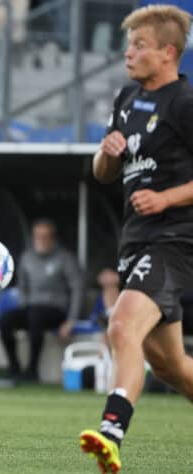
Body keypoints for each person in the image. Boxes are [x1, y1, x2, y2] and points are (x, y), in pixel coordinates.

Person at [79, 5, 193, 473]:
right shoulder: (127, 98)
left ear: (168, 53)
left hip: (176, 237)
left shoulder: (185, 104)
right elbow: (102, 173)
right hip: (136, 237)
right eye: (129, 45)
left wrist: (166, 199)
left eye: (139, 45)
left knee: (121, 324)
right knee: (170, 365)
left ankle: (110, 431)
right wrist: (107, 154)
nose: (128, 53)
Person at [0, 219, 82, 382]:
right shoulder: (26, 257)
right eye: (38, 236)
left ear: (53, 238)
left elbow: (77, 289)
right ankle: (14, 367)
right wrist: (24, 306)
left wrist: (71, 320)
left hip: (56, 309)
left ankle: (32, 370)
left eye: (45, 236)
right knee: (5, 319)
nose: (41, 240)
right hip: (32, 308)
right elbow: (22, 286)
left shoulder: (65, 259)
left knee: (36, 315)